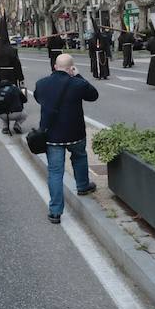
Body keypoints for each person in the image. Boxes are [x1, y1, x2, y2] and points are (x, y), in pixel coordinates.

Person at [33, 55, 99, 225]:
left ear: (55, 66)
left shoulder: (42, 84)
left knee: (55, 173)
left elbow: (39, 99)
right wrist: (78, 75)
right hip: (75, 133)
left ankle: (55, 212)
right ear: (71, 68)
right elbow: (93, 96)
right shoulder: (77, 83)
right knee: (79, 157)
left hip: (53, 136)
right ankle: (83, 186)